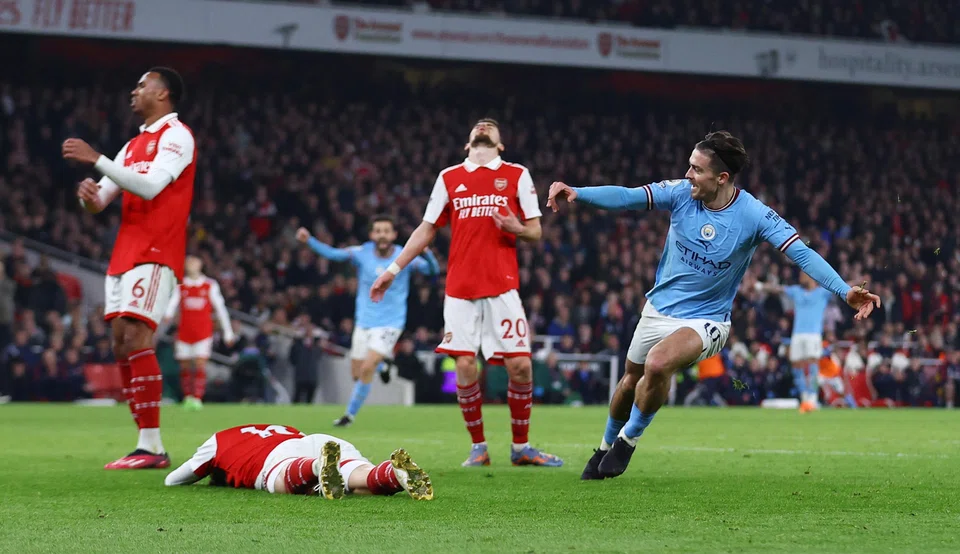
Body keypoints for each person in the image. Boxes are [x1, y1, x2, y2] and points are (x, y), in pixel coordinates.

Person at [546, 131, 880, 480]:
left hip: (708, 320)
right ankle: (604, 447)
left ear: (721, 178)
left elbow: (801, 252)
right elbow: (628, 197)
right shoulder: (680, 193)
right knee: (630, 379)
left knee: (658, 365)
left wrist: (844, 290)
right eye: (689, 166)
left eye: (696, 169)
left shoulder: (754, 214)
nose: (687, 174)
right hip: (659, 307)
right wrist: (578, 193)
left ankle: (628, 440)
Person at [371, 118, 563, 468]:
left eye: (490, 127)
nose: (483, 126)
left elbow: (535, 232)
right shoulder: (449, 177)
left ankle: (521, 448)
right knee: (463, 366)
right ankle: (479, 447)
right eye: (478, 126)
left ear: (500, 144)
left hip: (502, 286)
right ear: (467, 143)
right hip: (460, 289)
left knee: (520, 365)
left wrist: (515, 227)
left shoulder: (517, 174)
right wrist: (392, 270)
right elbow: (426, 229)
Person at [62, 67, 195, 470]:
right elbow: (102, 200)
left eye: (142, 85)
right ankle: (143, 441)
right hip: (125, 251)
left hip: (157, 249)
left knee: (138, 335)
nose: (134, 91)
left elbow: (152, 186)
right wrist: (88, 196)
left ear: (164, 93)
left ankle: (151, 446)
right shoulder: (133, 145)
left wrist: (96, 158)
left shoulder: (177, 136)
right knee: (121, 341)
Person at [297, 215, 439, 426]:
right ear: (372, 234)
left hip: (391, 323)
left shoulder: (404, 255)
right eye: (378, 231)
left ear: (393, 235)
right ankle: (384, 365)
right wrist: (309, 241)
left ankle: (349, 416)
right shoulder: (361, 253)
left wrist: (427, 255)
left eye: (386, 231)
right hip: (364, 322)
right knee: (357, 373)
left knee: (367, 368)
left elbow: (433, 272)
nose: (382, 235)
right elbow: (333, 254)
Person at [163, 424, 433, 501]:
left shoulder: (218, 440)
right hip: (314, 438)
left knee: (277, 480)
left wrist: (210, 470)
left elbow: (175, 479)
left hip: (279, 457)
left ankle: (316, 467)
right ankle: (390, 473)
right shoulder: (280, 426)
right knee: (358, 480)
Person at [755, 272, 841, 412]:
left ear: (811, 277)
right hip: (797, 335)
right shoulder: (796, 291)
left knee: (813, 365)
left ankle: (813, 399)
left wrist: (859, 282)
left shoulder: (822, 292)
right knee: (796, 365)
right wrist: (759, 286)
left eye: (803, 275)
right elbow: (778, 288)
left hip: (813, 335)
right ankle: (804, 398)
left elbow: (840, 286)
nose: (800, 277)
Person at [163, 255, 236, 410]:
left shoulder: (210, 285)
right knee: (185, 366)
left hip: (203, 332)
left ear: (200, 265)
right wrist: (168, 314)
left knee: (200, 364)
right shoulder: (181, 284)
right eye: (188, 262)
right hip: (184, 332)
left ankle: (197, 397)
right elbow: (173, 301)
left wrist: (228, 332)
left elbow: (221, 308)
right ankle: (187, 396)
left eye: (194, 262)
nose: (191, 264)